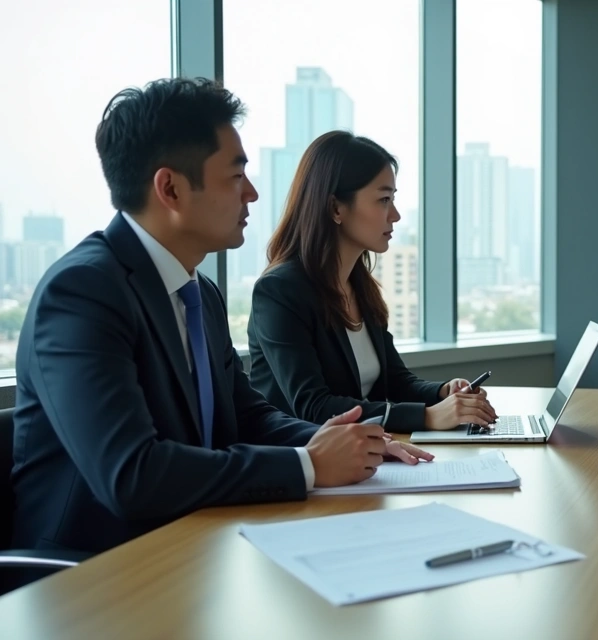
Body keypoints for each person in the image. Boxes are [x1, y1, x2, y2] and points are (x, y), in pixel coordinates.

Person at [10, 78, 421, 559]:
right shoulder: (82, 292)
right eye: (235, 176)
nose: (252, 193)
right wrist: (307, 465)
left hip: (197, 546)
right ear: (171, 189)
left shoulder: (198, 292)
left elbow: (248, 415)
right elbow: (132, 475)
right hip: (95, 573)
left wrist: (345, 444)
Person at [247, 131, 497, 435]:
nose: (395, 215)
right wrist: (429, 417)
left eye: (393, 199)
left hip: (364, 453)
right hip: (304, 463)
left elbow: (395, 381)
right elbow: (314, 407)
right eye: (383, 200)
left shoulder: (359, 285)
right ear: (336, 208)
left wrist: (443, 393)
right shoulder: (280, 291)